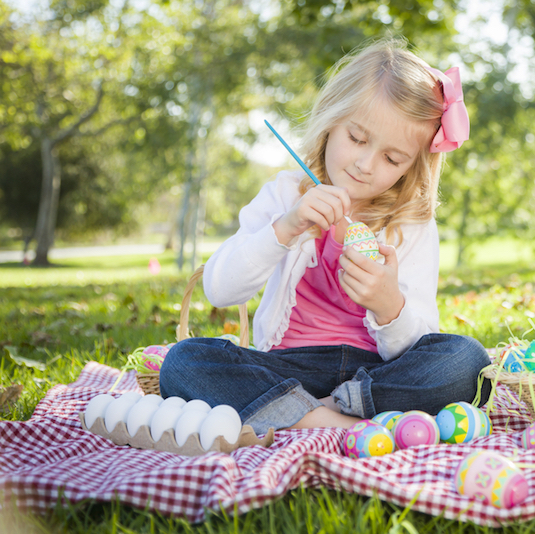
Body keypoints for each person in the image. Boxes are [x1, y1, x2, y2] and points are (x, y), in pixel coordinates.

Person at [159, 38, 490, 435]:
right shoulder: (284, 195)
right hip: (286, 367)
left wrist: (389, 306)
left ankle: (309, 412)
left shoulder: (412, 223)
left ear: (412, 165)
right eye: (357, 138)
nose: (366, 165)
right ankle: (334, 421)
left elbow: (419, 344)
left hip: (375, 375)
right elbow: (220, 290)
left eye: (391, 158)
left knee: (467, 361)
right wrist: (284, 228)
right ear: (332, 119)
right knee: (184, 362)